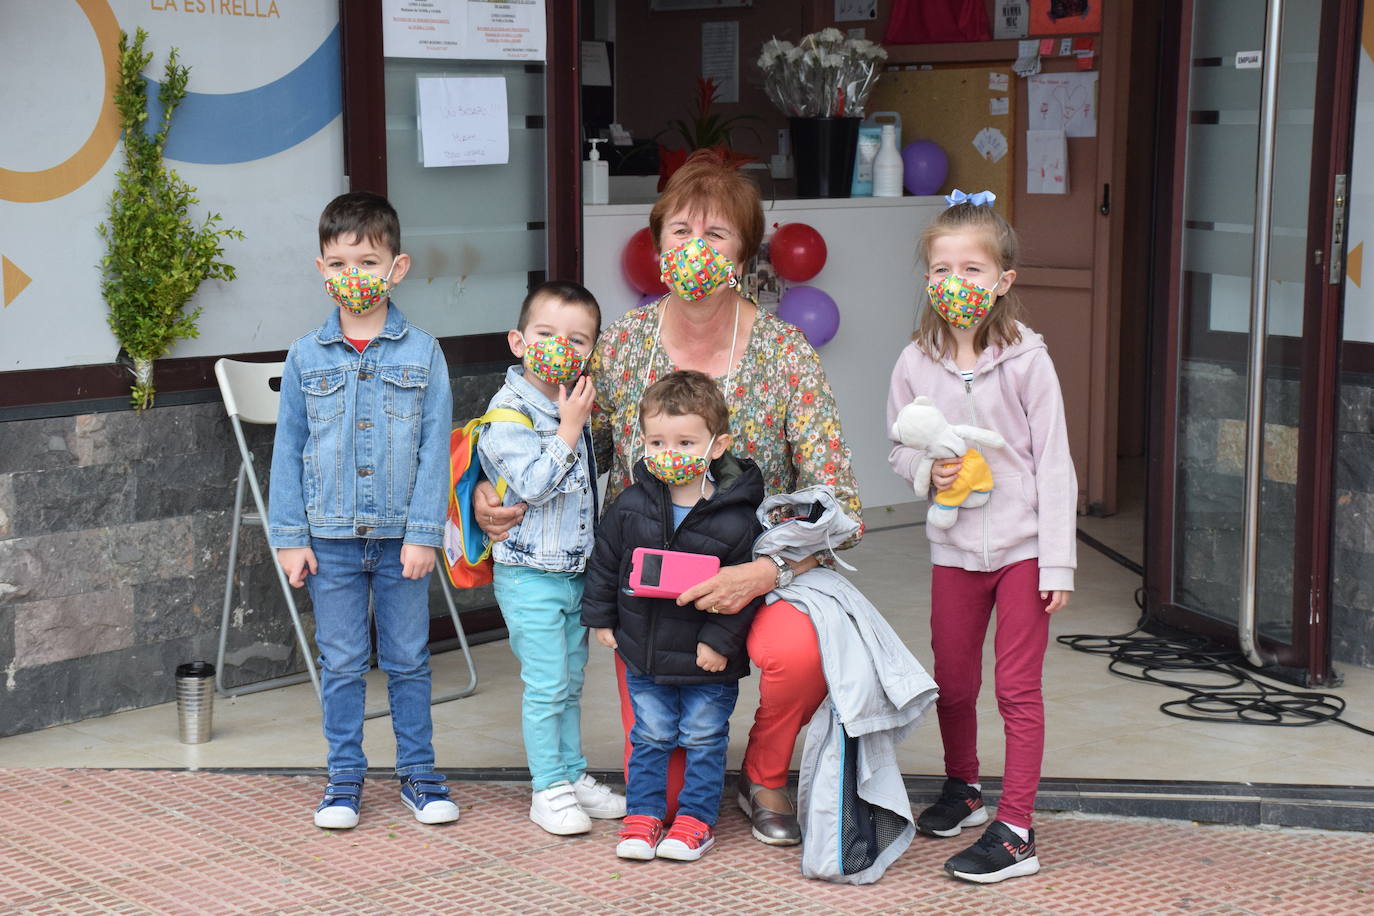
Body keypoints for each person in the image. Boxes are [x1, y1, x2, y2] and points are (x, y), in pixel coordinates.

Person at [476, 149, 863, 847]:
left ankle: (767, 771)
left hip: (754, 569)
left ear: (744, 254)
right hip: (653, 587)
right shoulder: (622, 349)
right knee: (675, 792)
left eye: (716, 235)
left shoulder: (786, 353)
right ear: (657, 249)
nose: (695, 249)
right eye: (680, 232)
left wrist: (768, 571)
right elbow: (565, 449)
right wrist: (486, 489)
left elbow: (839, 499)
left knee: (799, 655)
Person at [886, 190, 1077, 884]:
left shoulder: (1029, 361)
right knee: (955, 681)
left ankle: (1017, 828)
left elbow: (1053, 463)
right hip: (955, 553)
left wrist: (1057, 560)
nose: (954, 284)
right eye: (941, 270)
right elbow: (898, 447)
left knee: (1017, 689)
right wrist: (927, 474)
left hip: (1024, 551)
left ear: (1002, 282)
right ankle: (963, 790)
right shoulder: (914, 362)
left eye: (972, 270)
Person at [268, 191, 459, 830]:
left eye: (369, 262)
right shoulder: (304, 357)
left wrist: (424, 533)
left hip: (403, 537)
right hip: (330, 540)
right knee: (343, 662)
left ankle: (420, 776)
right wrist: (290, 537)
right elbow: (287, 449)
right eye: (339, 263)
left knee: (408, 659)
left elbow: (437, 449)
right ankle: (344, 779)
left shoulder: (423, 353)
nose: (355, 277)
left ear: (396, 268)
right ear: (321, 270)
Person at [582, 370, 765, 861]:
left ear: (717, 444)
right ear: (643, 442)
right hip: (644, 653)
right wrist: (601, 618)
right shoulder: (631, 504)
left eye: (686, 441)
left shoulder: (738, 517)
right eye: (658, 441)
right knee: (650, 736)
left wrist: (720, 642)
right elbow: (604, 562)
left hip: (708, 660)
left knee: (704, 739)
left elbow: (745, 593)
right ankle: (643, 817)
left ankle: (695, 821)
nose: (671, 452)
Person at [475, 280, 627, 835]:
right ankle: (548, 788)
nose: (561, 346)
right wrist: (569, 428)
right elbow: (535, 484)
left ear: (591, 351)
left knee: (570, 681)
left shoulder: (574, 398)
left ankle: (572, 773)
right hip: (528, 574)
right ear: (518, 341)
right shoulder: (507, 412)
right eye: (546, 333)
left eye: (577, 339)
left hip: (573, 573)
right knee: (545, 685)